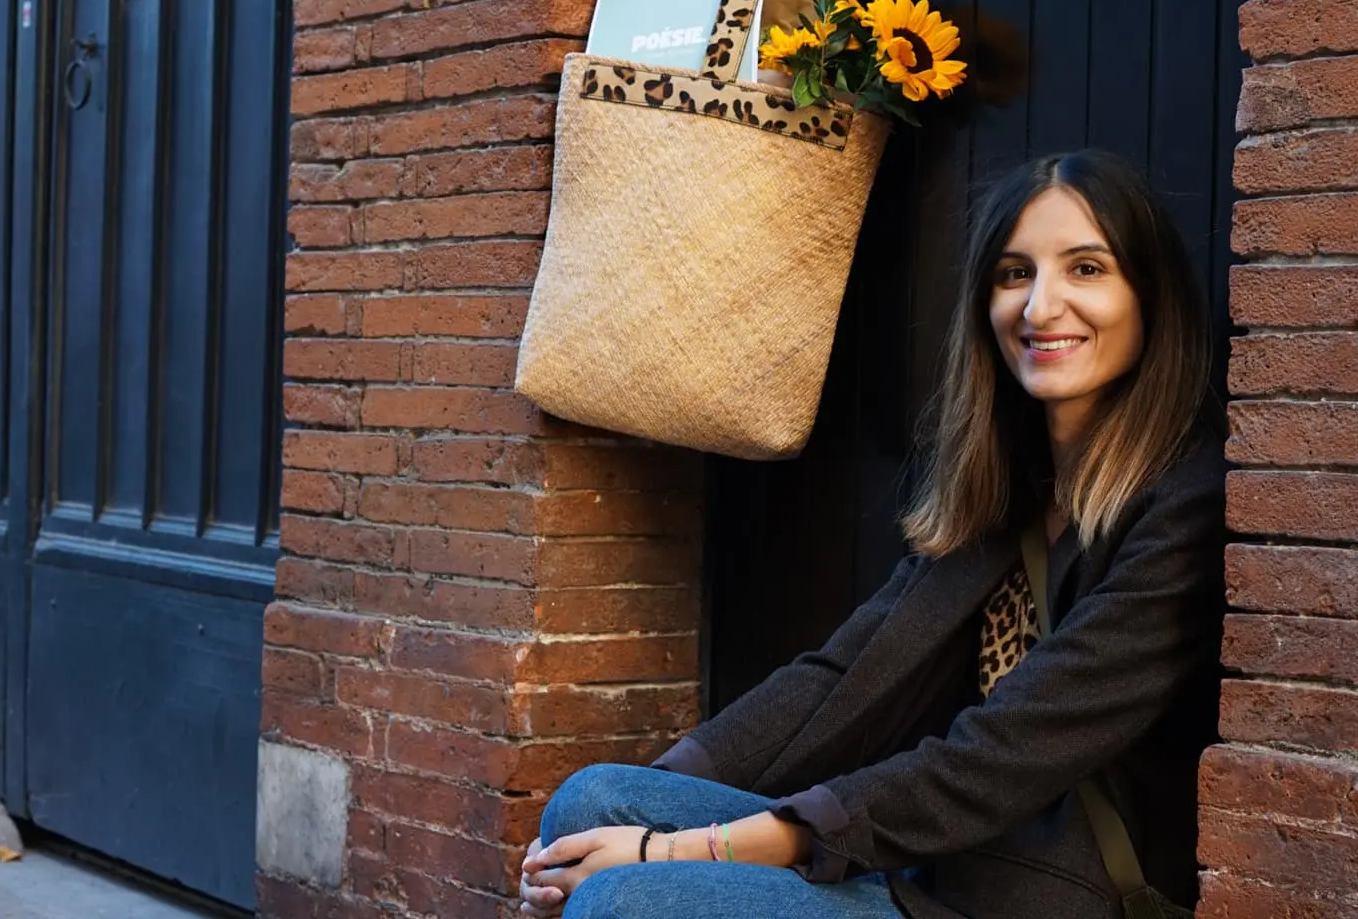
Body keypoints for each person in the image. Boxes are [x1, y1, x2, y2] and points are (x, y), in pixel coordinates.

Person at [519, 151, 1224, 919]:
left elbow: (998, 757)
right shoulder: (1007, 493)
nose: (1040, 305)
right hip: (927, 864)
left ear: (1151, 295)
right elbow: (837, 674)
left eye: (1086, 269)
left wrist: (676, 850)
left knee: (625, 899)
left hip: (1034, 899)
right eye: (1014, 273)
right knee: (590, 805)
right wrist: (637, 815)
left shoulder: (1182, 510)